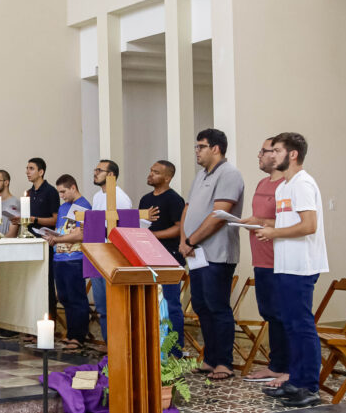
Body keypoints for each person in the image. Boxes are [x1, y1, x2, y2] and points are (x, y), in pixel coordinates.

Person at [253, 133, 328, 408]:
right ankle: (293, 380)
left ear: (292, 154)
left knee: (301, 325)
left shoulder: (303, 184)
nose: (272, 155)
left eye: (277, 151)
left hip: (302, 264)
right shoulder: (284, 186)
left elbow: (309, 225)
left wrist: (274, 232)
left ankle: (308, 386)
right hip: (284, 265)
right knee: (291, 327)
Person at [178, 128, 245, 382]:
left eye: (200, 146)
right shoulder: (201, 176)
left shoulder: (229, 174)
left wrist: (191, 240)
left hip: (217, 252)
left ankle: (224, 363)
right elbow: (188, 208)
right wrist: (184, 239)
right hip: (195, 252)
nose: (197, 151)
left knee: (217, 307)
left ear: (215, 148)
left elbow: (218, 216)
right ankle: (209, 359)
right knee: (202, 305)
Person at [243, 139, 289, 385]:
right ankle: (276, 365)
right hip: (260, 257)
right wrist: (246, 221)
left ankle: (288, 369)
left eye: (264, 151)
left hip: (280, 259)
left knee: (283, 315)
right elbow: (262, 217)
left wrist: (263, 223)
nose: (259, 154)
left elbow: (290, 222)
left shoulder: (287, 184)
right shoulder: (262, 183)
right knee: (269, 313)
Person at [139, 160, 186, 352]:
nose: (150, 174)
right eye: (150, 170)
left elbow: (178, 228)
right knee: (147, 304)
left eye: (156, 172)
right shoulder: (145, 199)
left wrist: (153, 235)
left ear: (167, 177)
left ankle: (174, 349)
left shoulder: (174, 199)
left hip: (169, 256)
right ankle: (152, 347)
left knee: (170, 304)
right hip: (146, 256)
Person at [87, 159, 133, 343]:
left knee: (116, 305)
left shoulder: (121, 198)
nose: (95, 173)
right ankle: (108, 344)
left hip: (114, 256)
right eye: (95, 169)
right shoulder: (98, 197)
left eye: (100, 170)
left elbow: (122, 229)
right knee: (102, 305)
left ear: (111, 175)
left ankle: (120, 345)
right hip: (98, 253)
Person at [44, 175, 93, 347]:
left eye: (63, 191)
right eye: (59, 192)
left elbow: (81, 233)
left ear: (73, 187)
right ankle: (71, 332)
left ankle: (78, 336)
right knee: (64, 297)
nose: (62, 195)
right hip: (60, 257)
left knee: (76, 296)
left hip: (75, 257)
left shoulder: (84, 206)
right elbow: (62, 230)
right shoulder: (63, 207)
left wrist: (58, 240)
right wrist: (52, 236)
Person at [25, 157, 60, 317]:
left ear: (41, 171)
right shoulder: (29, 193)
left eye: (31, 168)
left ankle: (50, 322)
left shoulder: (50, 191)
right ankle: (34, 324)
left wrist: (34, 219)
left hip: (46, 241)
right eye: (27, 168)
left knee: (46, 283)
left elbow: (55, 219)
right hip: (31, 240)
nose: (27, 171)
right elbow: (28, 218)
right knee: (33, 284)